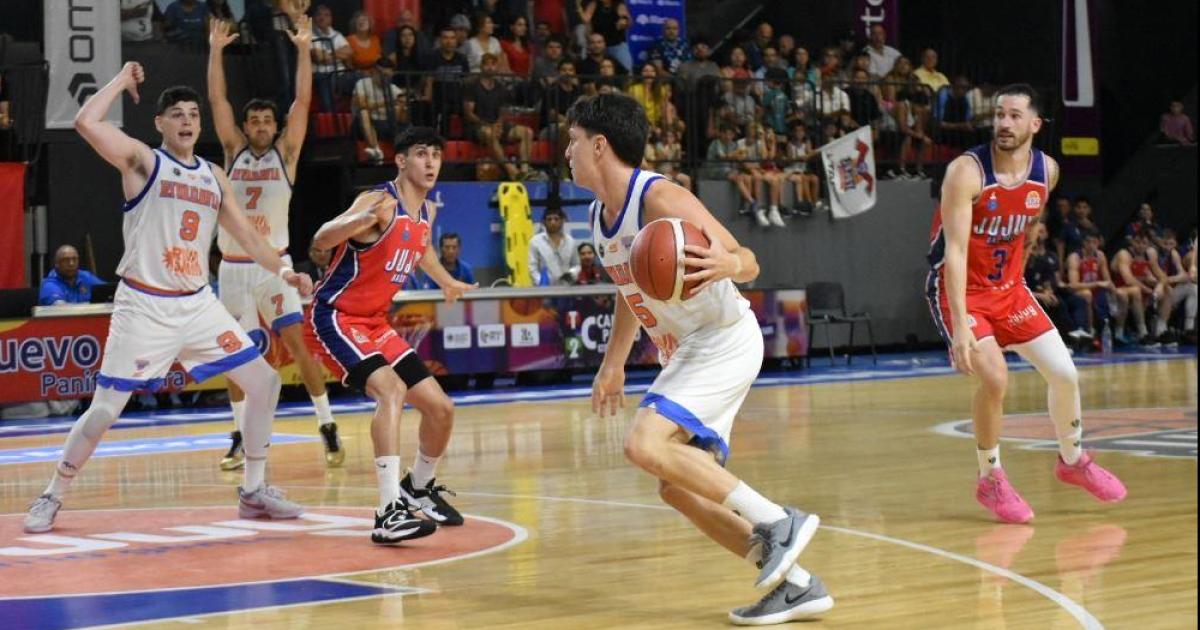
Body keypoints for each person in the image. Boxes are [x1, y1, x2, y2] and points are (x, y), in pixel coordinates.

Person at [569, 93, 832, 625]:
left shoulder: (660, 197)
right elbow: (628, 290)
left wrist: (728, 264)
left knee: (643, 444)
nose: (566, 152)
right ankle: (797, 586)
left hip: (723, 337)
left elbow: (747, 259)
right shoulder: (599, 217)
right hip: (692, 350)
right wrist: (613, 363)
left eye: (572, 141)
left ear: (599, 146)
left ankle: (778, 522)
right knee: (677, 488)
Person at [23, 63, 312, 534]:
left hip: (197, 304)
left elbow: (247, 236)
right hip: (144, 304)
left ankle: (254, 490)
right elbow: (86, 122)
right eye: (177, 114)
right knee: (104, 411)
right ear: (159, 123)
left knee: (265, 382)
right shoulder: (143, 161)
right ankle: (53, 493)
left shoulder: (214, 176)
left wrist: (285, 271)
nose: (187, 121)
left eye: (193, 114)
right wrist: (120, 81)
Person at [926, 84, 1126, 525]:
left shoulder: (1046, 171)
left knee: (1065, 374)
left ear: (1035, 124)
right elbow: (954, 253)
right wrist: (959, 328)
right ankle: (990, 478)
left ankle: (1072, 460)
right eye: (999, 114)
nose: (1003, 122)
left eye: (1014, 115)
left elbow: (1030, 224)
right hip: (961, 291)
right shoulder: (967, 172)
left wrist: (1017, 274)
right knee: (996, 379)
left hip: (1009, 290)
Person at [304, 127, 476, 544]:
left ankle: (418, 486)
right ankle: (387, 511)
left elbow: (421, 248)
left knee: (441, 408)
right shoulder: (378, 201)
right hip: (337, 316)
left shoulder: (425, 211)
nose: (431, 162)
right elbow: (321, 240)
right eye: (421, 154)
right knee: (391, 390)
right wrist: (357, 221)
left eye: (436, 154)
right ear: (400, 161)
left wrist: (446, 281)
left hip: (375, 323)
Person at [208, 17, 345, 468]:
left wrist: (304, 49)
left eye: (268, 120)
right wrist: (215, 51)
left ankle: (326, 424)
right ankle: (237, 435)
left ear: (274, 126)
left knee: (297, 346)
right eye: (255, 121)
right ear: (246, 127)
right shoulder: (233, 151)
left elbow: (302, 102)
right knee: (234, 353)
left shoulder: (286, 154)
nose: (262, 126)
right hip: (233, 267)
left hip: (275, 266)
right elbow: (218, 100)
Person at [465, 53, 536, 180]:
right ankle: (511, 170)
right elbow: (469, 114)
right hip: (478, 126)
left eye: (493, 64)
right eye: (486, 64)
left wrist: (499, 124)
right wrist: (489, 126)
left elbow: (503, 111)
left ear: (497, 67)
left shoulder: (500, 88)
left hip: (497, 124)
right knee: (489, 133)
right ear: (481, 66)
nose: (490, 67)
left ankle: (524, 170)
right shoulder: (472, 86)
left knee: (527, 132)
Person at [1111, 227, 1169, 344]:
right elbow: (1128, 280)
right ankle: (1141, 333)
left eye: (1144, 243)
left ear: (1148, 244)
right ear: (1132, 241)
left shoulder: (1149, 255)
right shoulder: (1124, 254)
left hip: (1139, 291)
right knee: (1135, 290)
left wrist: (1159, 286)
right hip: (1118, 291)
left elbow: (1162, 276)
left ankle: (1161, 331)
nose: (1140, 246)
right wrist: (1147, 289)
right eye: (1137, 242)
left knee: (1167, 290)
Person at [1065, 231, 1116, 337]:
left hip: (1095, 289)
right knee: (1087, 293)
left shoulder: (1100, 255)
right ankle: (1090, 330)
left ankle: (1118, 331)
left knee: (1119, 294)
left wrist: (1114, 292)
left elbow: (1108, 281)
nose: (1091, 245)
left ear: (1098, 243)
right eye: (1088, 242)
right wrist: (1097, 283)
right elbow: (1073, 285)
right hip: (1076, 291)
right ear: (1083, 243)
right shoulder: (1075, 257)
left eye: (1094, 242)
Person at [39, 245, 108, 305]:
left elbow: (108, 292)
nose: (71, 263)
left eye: (74, 259)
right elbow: (61, 309)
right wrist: (90, 305)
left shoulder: (85, 276)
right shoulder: (50, 284)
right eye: (66, 260)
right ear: (57, 263)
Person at [528, 205, 579, 285]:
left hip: (567, 287)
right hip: (543, 287)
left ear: (562, 221)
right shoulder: (535, 241)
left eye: (556, 219)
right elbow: (532, 267)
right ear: (544, 222)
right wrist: (541, 282)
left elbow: (576, 265)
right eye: (549, 219)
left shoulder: (570, 241)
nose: (553, 222)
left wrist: (571, 274)